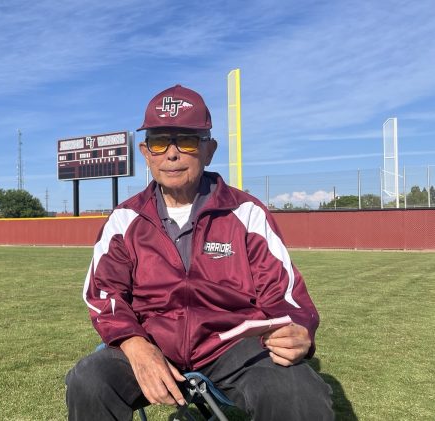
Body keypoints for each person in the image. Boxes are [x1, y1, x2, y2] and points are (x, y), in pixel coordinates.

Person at [65, 84, 333, 420]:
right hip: (151, 340)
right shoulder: (125, 219)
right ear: (146, 153)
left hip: (233, 346)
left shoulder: (246, 212)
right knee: (89, 380)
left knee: (296, 391)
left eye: (187, 140)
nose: (172, 154)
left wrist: (297, 328)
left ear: (209, 150)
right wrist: (133, 343)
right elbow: (104, 293)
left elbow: (284, 292)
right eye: (160, 141)